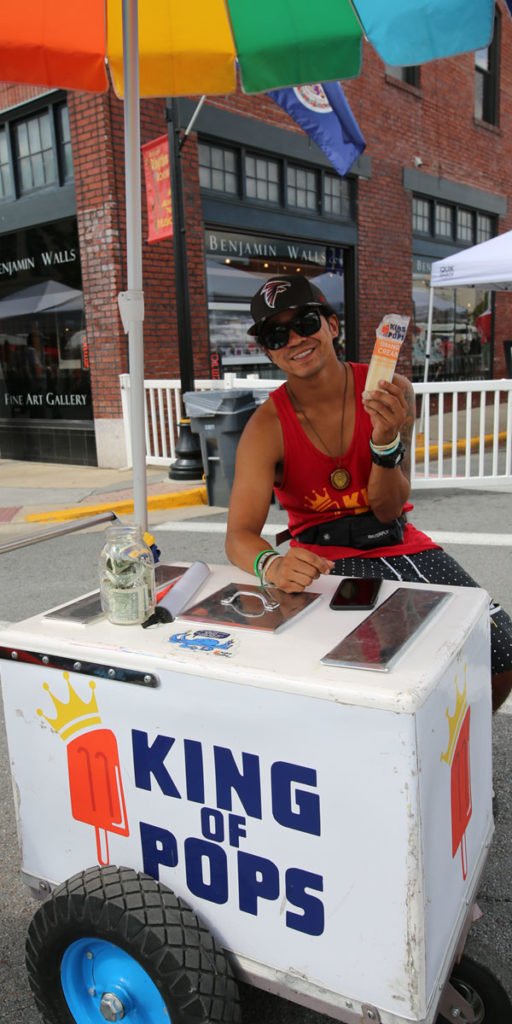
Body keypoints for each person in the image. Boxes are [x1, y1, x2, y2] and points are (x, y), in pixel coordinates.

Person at [225, 274, 512, 712]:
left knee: (501, 647)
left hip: (395, 541)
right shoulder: (266, 426)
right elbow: (238, 535)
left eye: (305, 322)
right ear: (267, 349)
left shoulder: (391, 393)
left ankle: (454, 751)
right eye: (276, 333)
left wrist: (384, 442)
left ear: (332, 325)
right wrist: (272, 564)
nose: (295, 339)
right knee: (359, 675)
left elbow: (389, 507)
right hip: (323, 560)